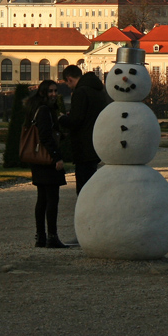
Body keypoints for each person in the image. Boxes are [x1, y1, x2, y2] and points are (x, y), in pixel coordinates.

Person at [26, 80, 69, 248]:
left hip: (38, 159)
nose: (53, 94)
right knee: (52, 199)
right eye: (50, 91)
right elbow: (45, 136)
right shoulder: (44, 110)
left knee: (42, 199)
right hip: (47, 159)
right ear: (43, 92)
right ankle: (52, 236)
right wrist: (57, 157)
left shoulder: (35, 108)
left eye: (55, 91)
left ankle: (41, 237)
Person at [58, 64, 111, 195]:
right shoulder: (98, 89)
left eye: (67, 83)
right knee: (91, 181)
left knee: (83, 186)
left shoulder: (80, 92)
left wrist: (62, 119)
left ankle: (85, 213)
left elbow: (76, 120)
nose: (68, 86)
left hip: (83, 144)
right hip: (95, 141)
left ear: (69, 79)